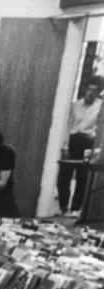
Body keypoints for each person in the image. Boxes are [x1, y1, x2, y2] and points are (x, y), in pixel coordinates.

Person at [58, 76, 103, 216]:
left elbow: (100, 128)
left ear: (99, 93)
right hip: (73, 140)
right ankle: (63, 207)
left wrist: (96, 147)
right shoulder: (75, 105)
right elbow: (68, 125)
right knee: (63, 176)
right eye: (88, 89)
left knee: (82, 177)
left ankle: (75, 209)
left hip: (88, 142)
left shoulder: (100, 106)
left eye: (94, 91)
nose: (90, 93)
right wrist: (64, 145)